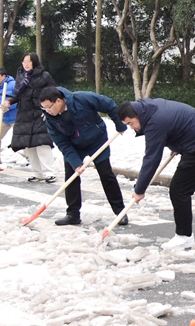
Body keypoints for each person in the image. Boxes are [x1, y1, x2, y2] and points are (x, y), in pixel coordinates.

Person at [120, 98, 195, 250]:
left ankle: (184, 236)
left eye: (131, 123)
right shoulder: (149, 109)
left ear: (137, 115)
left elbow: (151, 158)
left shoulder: (154, 122)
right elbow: (176, 125)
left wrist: (139, 189)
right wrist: (179, 144)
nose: (132, 128)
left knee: (179, 189)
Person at [38, 86, 129, 227]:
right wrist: (76, 163)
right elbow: (62, 143)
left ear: (58, 101)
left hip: (96, 139)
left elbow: (109, 104)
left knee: (106, 174)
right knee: (71, 176)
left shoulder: (82, 98)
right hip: (73, 145)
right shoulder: (50, 119)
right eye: (44, 108)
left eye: (48, 107)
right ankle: (73, 214)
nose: (47, 111)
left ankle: (120, 212)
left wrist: (119, 124)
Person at [9, 52, 59, 183]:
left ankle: (50, 172)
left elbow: (53, 92)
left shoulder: (44, 76)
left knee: (42, 143)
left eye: (28, 62)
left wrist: (48, 109)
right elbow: (17, 94)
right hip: (24, 113)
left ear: (34, 62)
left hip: (40, 112)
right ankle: (38, 173)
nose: (26, 64)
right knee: (28, 145)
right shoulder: (20, 77)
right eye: (24, 62)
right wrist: (8, 102)